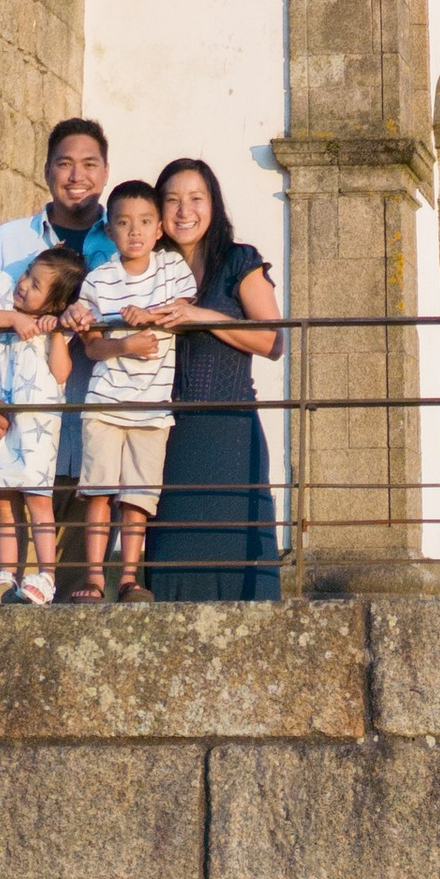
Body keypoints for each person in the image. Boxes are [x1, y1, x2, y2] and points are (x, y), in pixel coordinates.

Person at [0, 117, 115, 595]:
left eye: (89, 164)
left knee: (87, 600)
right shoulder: (8, 242)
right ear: (46, 170)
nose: (76, 175)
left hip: (93, 442)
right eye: (65, 163)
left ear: (105, 172)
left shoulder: (122, 242)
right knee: (3, 591)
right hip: (8, 432)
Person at [142, 156, 284, 604]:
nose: (185, 211)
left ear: (213, 204)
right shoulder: (147, 268)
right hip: (165, 433)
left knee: (234, 551)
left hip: (229, 429)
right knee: (170, 551)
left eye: (196, 199)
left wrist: (200, 316)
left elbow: (273, 342)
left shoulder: (238, 260)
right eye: (172, 201)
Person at [69, 181, 196, 600]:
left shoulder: (171, 269)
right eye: (124, 224)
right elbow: (91, 346)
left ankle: (128, 577)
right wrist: (126, 343)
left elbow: (184, 308)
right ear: (110, 231)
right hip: (105, 404)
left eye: (144, 222)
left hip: (152, 407)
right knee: (99, 491)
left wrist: (148, 317)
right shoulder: (100, 281)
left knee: (138, 496)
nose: (135, 232)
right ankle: (93, 576)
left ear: (159, 227)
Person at [0, 242, 84, 603]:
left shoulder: (54, 326)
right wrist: (13, 318)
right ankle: (6, 572)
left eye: (37, 285)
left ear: (55, 302)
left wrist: (54, 332)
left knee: (38, 499)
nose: (25, 284)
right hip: (2, 416)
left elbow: (61, 374)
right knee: (3, 498)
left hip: (35, 425)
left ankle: (45, 575)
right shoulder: (6, 302)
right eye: (28, 275)